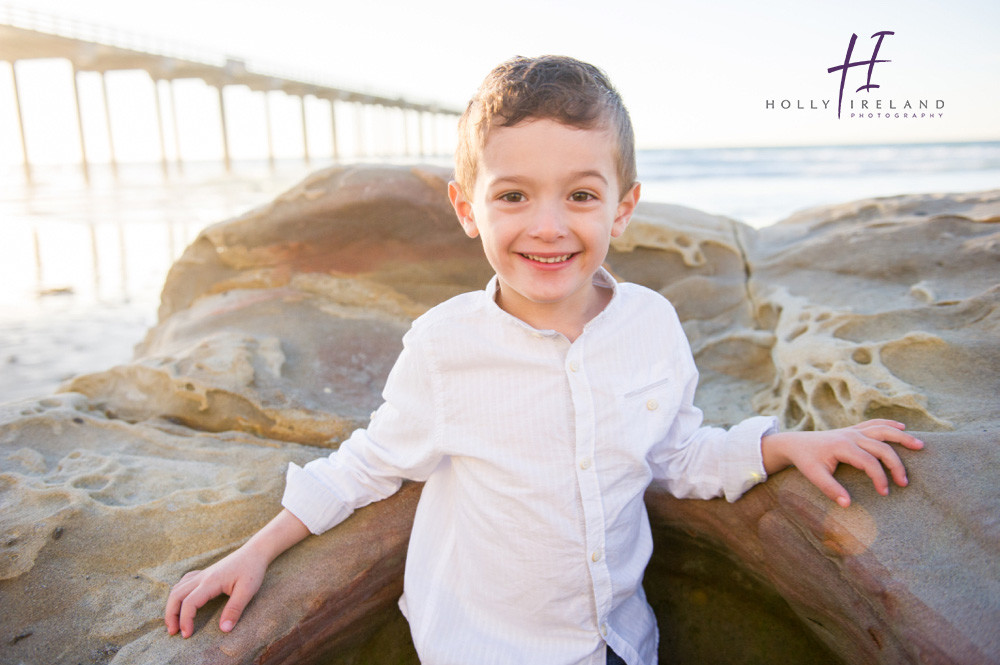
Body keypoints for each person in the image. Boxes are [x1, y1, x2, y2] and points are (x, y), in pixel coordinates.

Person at [164, 55, 924, 665]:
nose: (549, 226)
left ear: (624, 206)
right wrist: (256, 550)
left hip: (622, 640)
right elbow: (367, 464)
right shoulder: (445, 347)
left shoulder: (651, 327)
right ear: (468, 208)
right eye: (515, 195)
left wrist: (782, 443)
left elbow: (678, 453)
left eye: (582, 195)